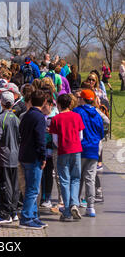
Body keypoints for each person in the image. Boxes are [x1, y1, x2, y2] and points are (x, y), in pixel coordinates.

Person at [49, 93, 85, 222]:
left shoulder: (56, 119)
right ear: (70, 104)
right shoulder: (77, 116)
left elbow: (55, 140)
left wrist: (62, 146)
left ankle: (67, 209)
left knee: (64, 180)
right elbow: (81, 136)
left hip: (63, 151)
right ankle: (74, 203)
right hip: (76, 150)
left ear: (58, 105)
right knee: (76, 178)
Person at [0, 91, 20, 225]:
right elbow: (19, 137)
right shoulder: (16, 118)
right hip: (16, 155)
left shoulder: (0, 118)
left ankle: (6, 212)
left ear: (1, 103)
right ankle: (13, 211)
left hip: (4, 156)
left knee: (4, 184)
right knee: (14, 185)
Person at [18, 90, 48, 230]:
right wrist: (43, 157)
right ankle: (26, 217)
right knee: (33, 189)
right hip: (34, 156)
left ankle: (33, 215)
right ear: (44, 102)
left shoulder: (26, 115)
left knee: (31, 188)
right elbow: (40, 139)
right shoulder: (39, 117)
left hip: (24, 154)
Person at [73, 89, 105, 218]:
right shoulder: (97, 114)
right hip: (93, 148)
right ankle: (90, 207)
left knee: (77, 177)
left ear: (82, 99)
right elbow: (101, 131)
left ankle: (75, 202)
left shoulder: (77, 111)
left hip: (80, 147)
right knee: (90, 178)